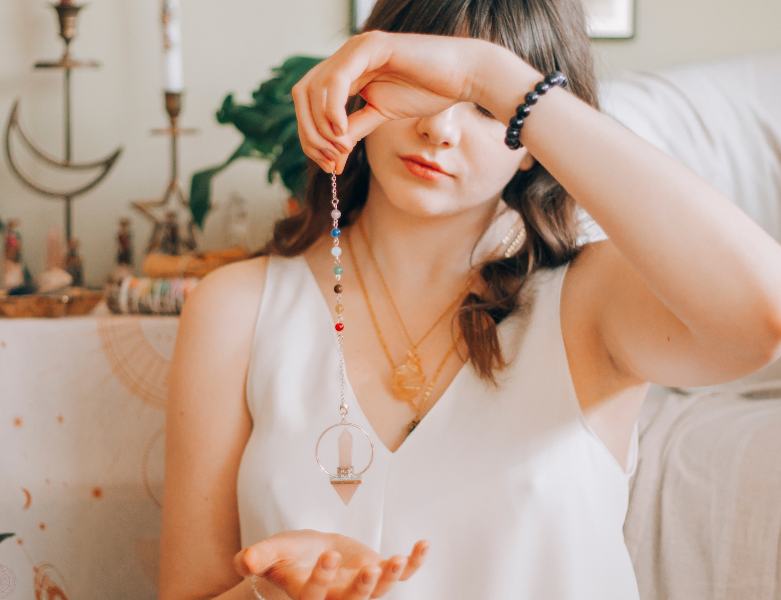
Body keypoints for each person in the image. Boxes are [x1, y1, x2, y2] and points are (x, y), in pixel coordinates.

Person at [158, 0, 781, 598]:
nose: (439, 127)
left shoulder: (592, 303)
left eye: (484, 108)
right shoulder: (235, 310)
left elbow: (763, 316)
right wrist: (271, 595)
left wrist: (498, 77)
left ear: (535, 141)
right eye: (420, 87)